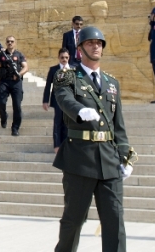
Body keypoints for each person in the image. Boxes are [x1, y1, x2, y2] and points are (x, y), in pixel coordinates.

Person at [52, 26, 132, 252]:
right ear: (80, 49)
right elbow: (63, 98)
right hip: (80, 158)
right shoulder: (67, 76)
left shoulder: (111, 83)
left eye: (99, 43)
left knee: (115, 221)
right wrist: (78, 110)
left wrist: (125, 157)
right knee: (74, 220)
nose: (96, 46)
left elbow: (119, 124)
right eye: (90, 43)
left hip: (109, 159)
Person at [0, 36, 28, 136]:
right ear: (6, 43)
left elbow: (26, 67)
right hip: (4, 81)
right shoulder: (1, 55)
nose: (10, 43)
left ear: (15, 43)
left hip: (16, 82)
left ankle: (15, 128)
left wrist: (19, 75)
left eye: (12, 41)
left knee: (17, 106)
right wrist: (1, 64)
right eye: (8, 41)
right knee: (0, 102)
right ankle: (3, 117)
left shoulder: (19, 54)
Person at [42, 48, 71, 152]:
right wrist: (45, 100)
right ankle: (57, 145)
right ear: (59, 58)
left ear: (69, 58)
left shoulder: (74, 69)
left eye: (66, 57)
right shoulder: (53, 69)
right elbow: (48, 85)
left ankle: (66, 144)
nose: (64, 59)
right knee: (58, 122)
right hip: (58, 100)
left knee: (67, 123)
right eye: (62, 57)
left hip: (70, 101)